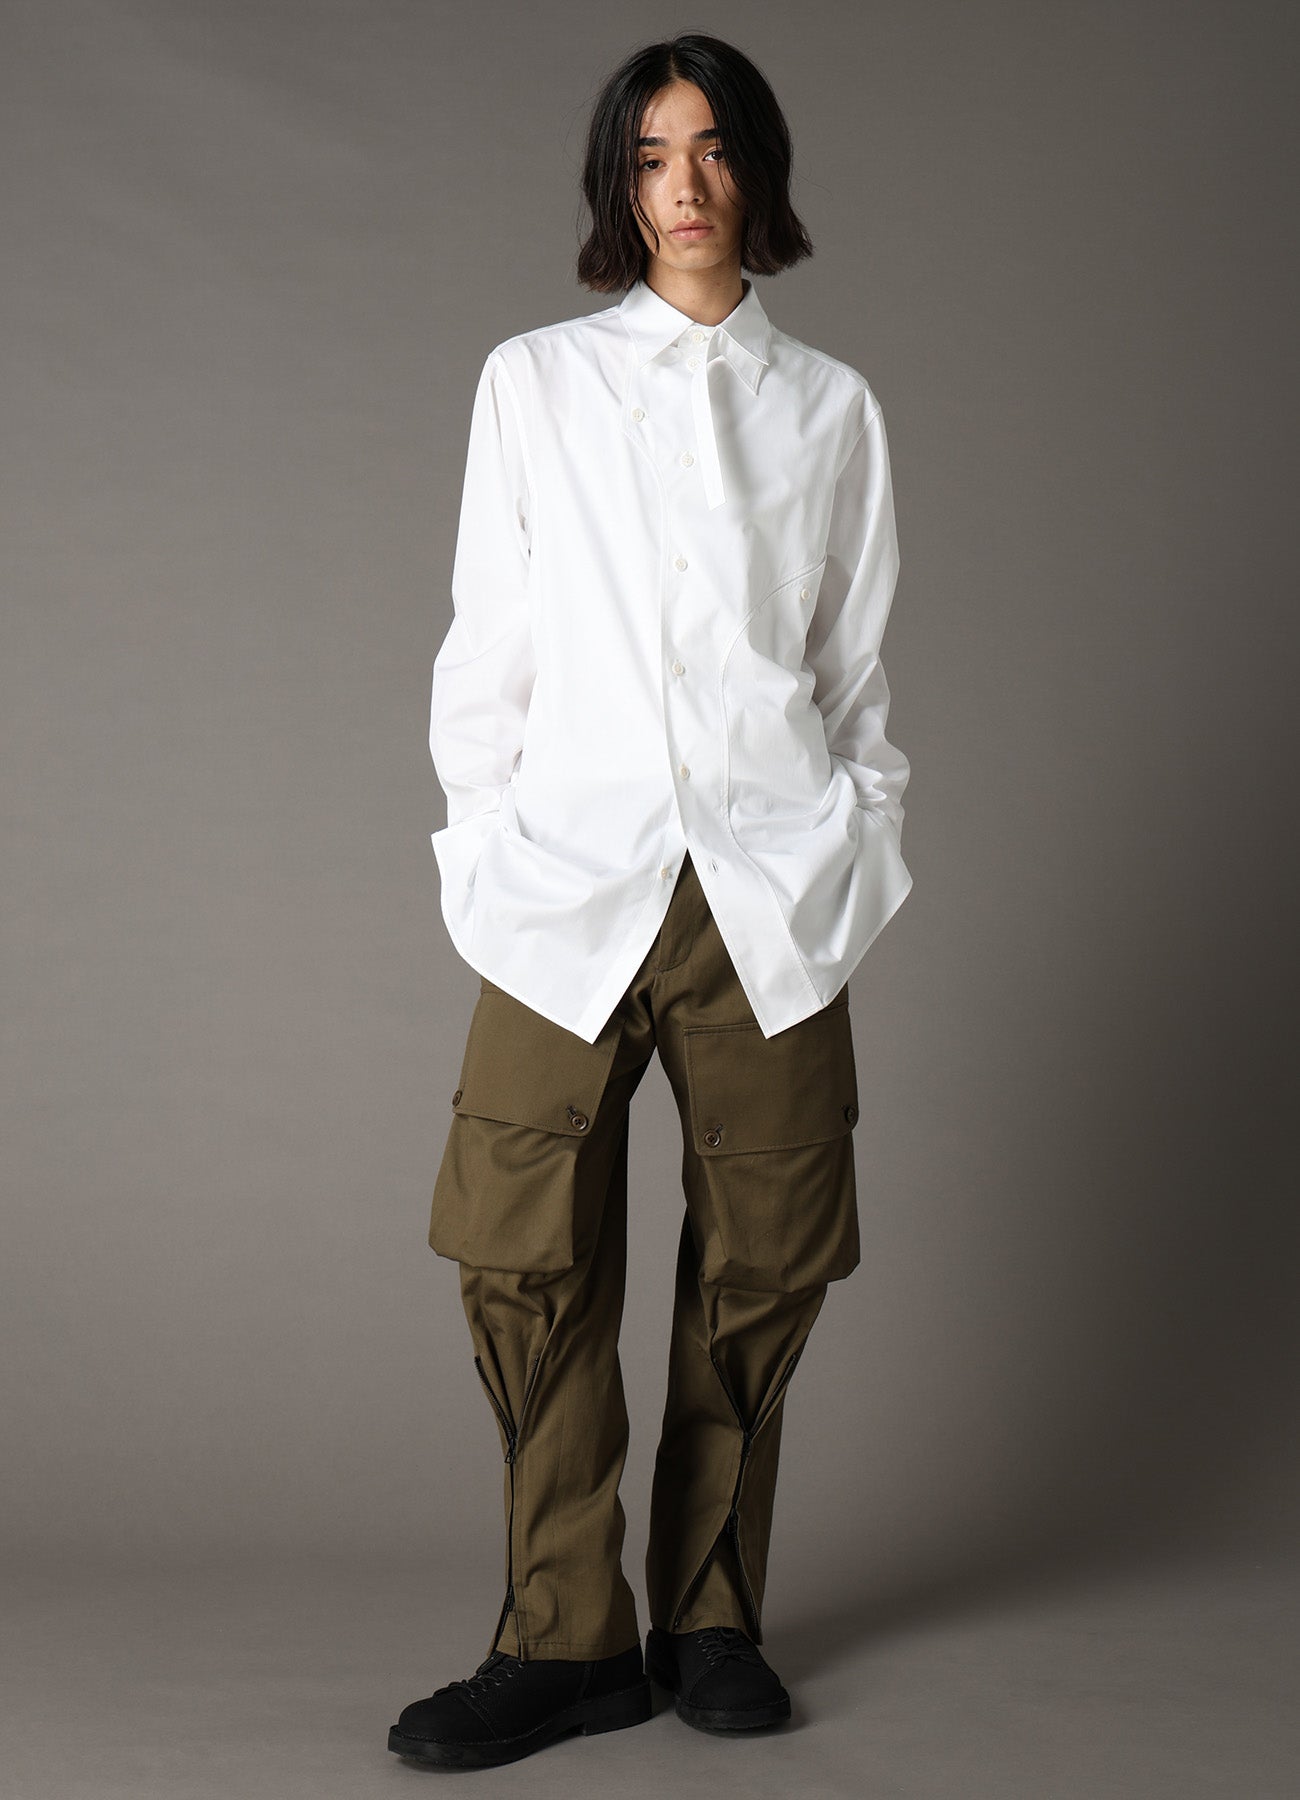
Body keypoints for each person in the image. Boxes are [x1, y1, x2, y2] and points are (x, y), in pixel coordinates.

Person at [388, 30, 913, 1772]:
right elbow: (488, 645)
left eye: (712, 150)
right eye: (648, 158)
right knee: (520, 1258)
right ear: (620, 186)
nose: (684, 188)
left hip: (768, 895)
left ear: (758, 168)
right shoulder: (533, 383)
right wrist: (487, 858)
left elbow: (851, 675)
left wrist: (853, 854)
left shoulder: (830, 409)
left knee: (765, 1260)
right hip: (570, 887)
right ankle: (564, 1638)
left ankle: (708, 1617)